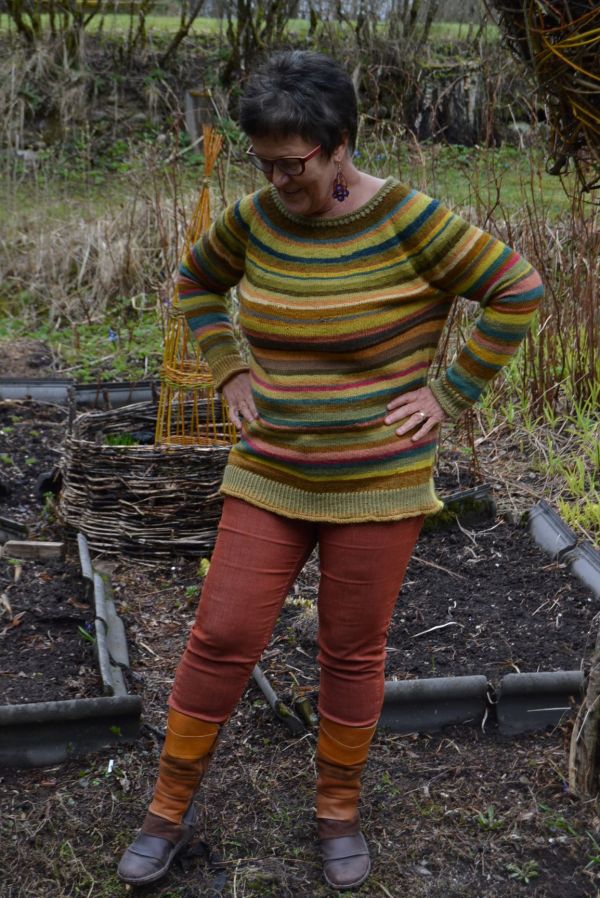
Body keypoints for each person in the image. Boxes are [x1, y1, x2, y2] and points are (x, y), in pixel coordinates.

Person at [117, 50, 543, 891]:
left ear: (341, 144)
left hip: (377, 481)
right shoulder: (254, 218)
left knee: (350, 649)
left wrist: (451, 393)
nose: (279, 181)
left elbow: (517, 290)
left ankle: (338, 810)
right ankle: (168, 808)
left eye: (295, 164)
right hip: (272, 470)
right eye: (264, 163)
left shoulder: (409, 220)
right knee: (223, 635)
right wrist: (230, 369)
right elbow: (197, 282)